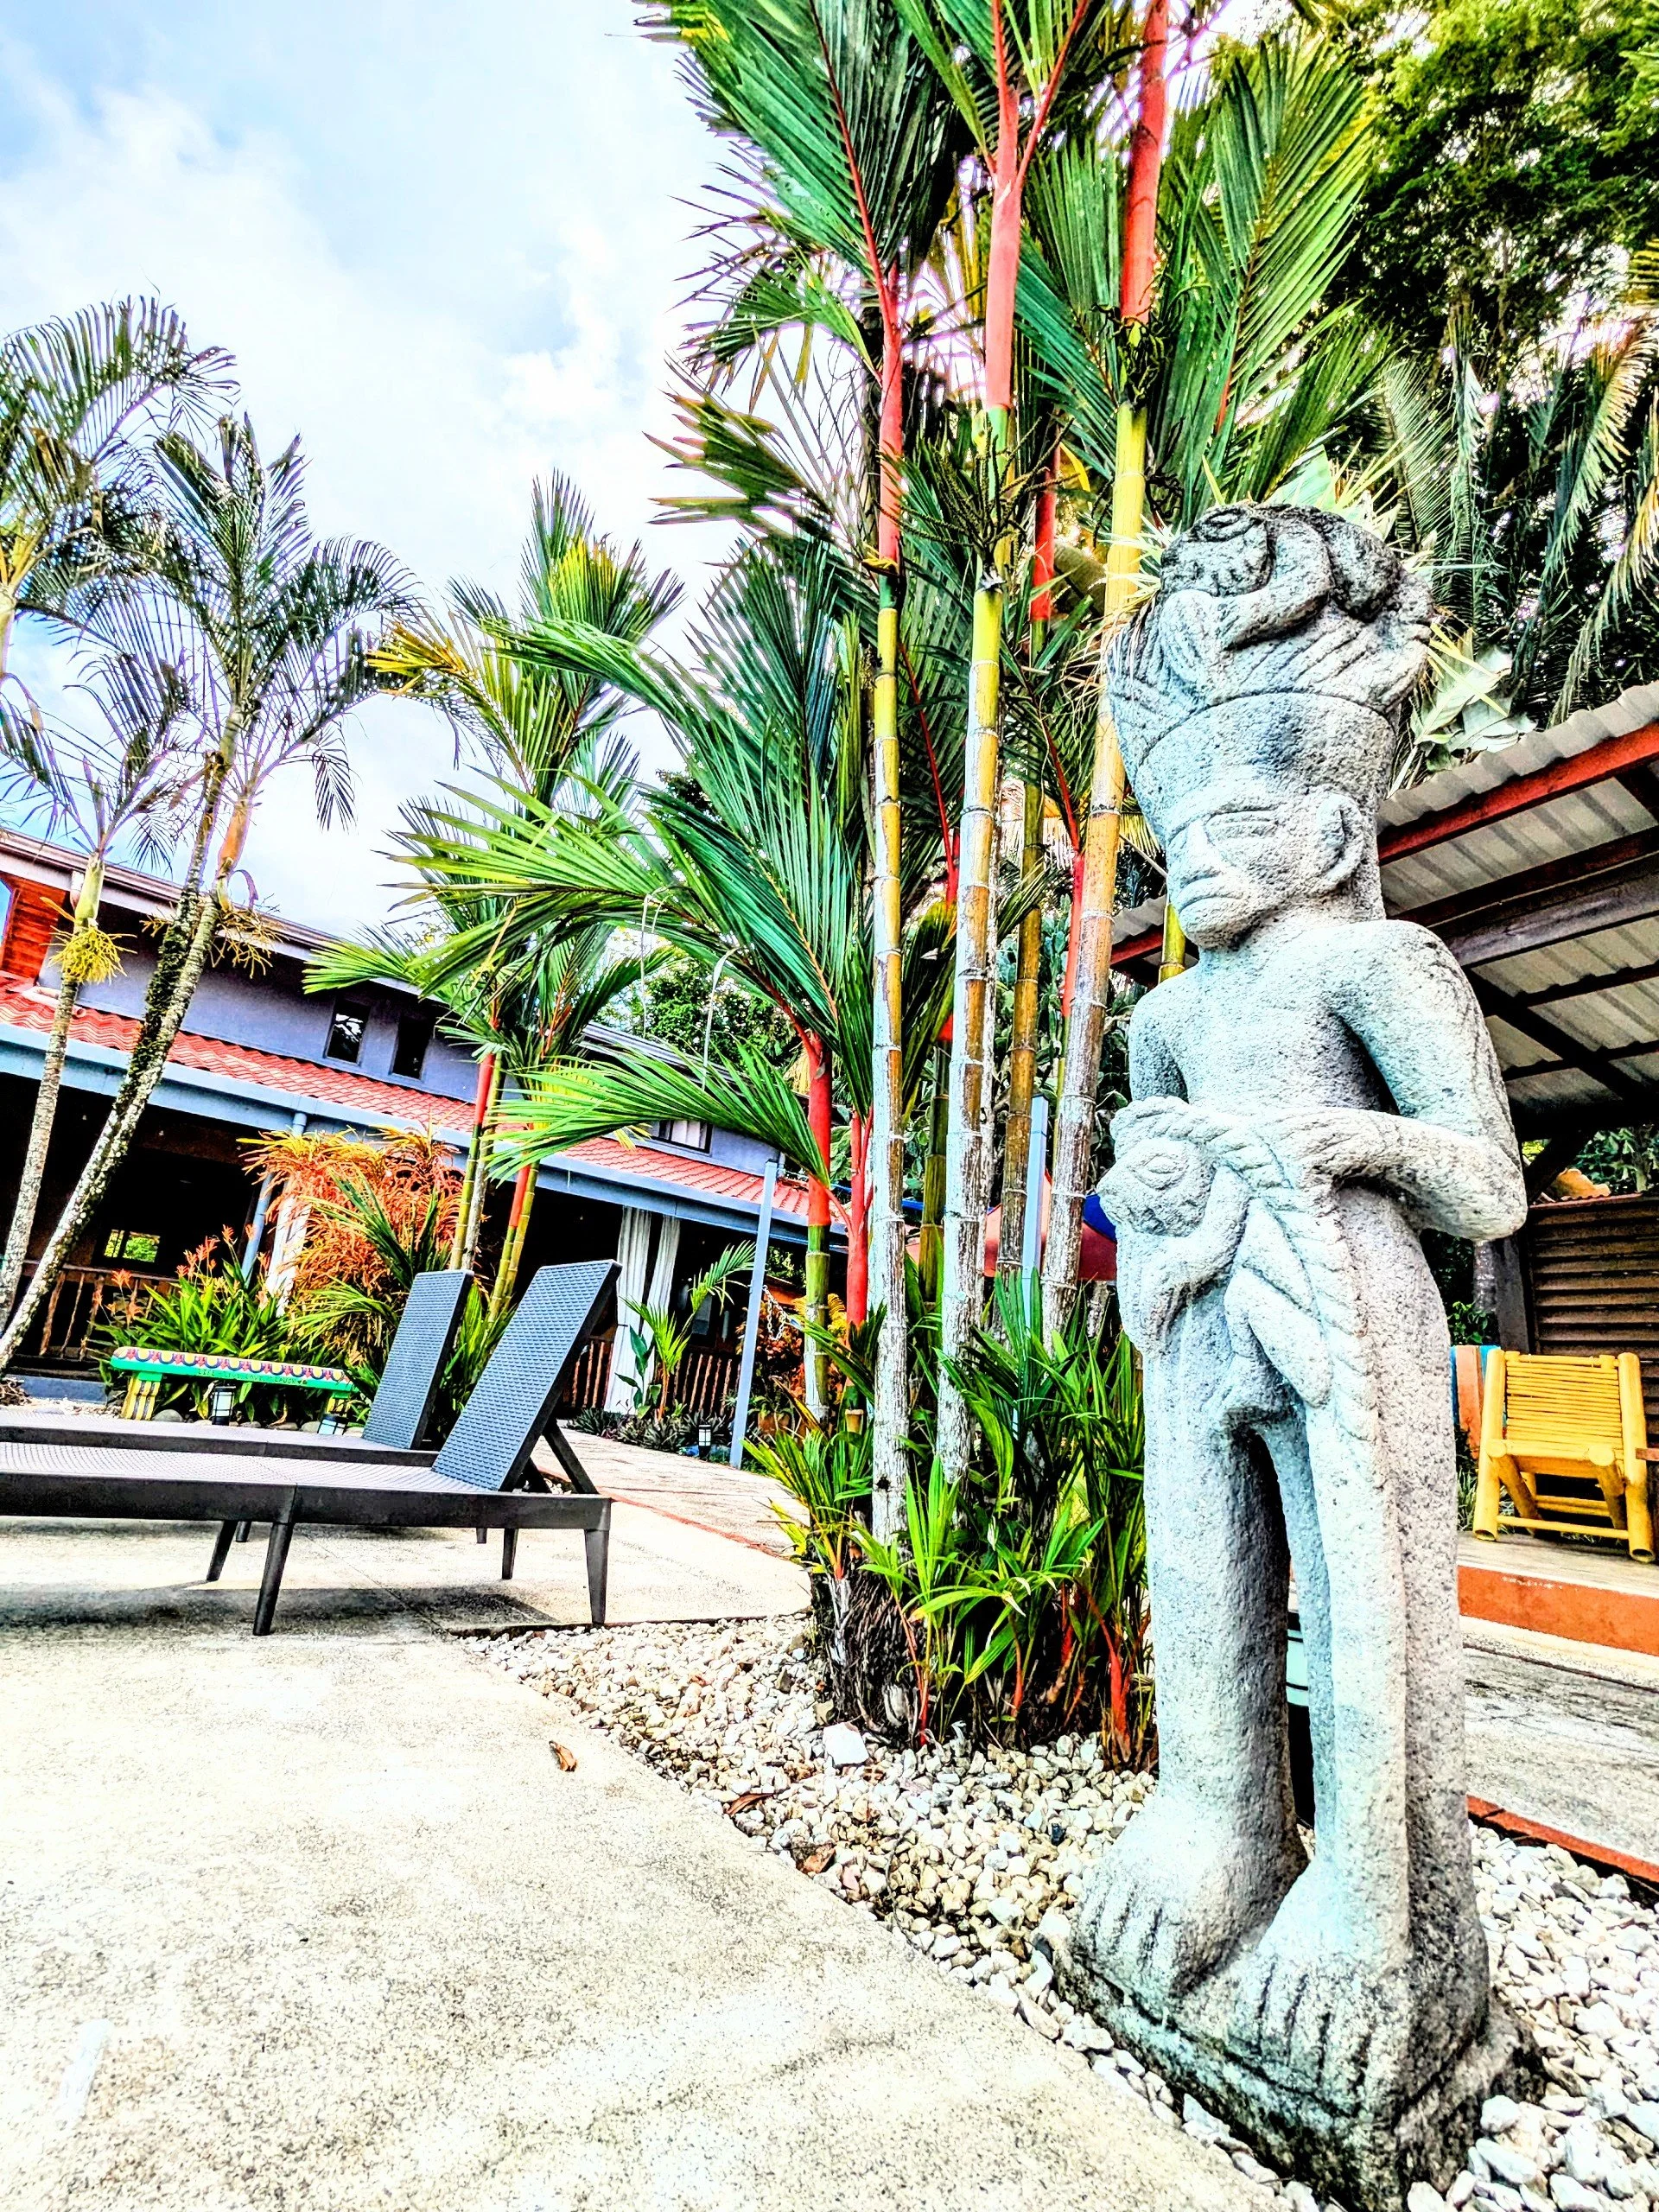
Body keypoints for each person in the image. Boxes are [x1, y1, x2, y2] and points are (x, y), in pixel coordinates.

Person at [1074, 505, 1526, 2117]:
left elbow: (1491, 1187)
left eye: (1235, 825)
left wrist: (1360, 1143)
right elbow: (1132, 1175)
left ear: (1334, 837)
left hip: (1352, 1302)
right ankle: (1217, 1827)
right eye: (1172, 842)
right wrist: (1157, 1200)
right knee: (1199, 1574)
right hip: (1200, 1302)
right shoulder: (1174, 1009)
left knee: (1364, 1598)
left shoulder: (1384, 965)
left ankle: (1384, 1918)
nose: (1191, 861)